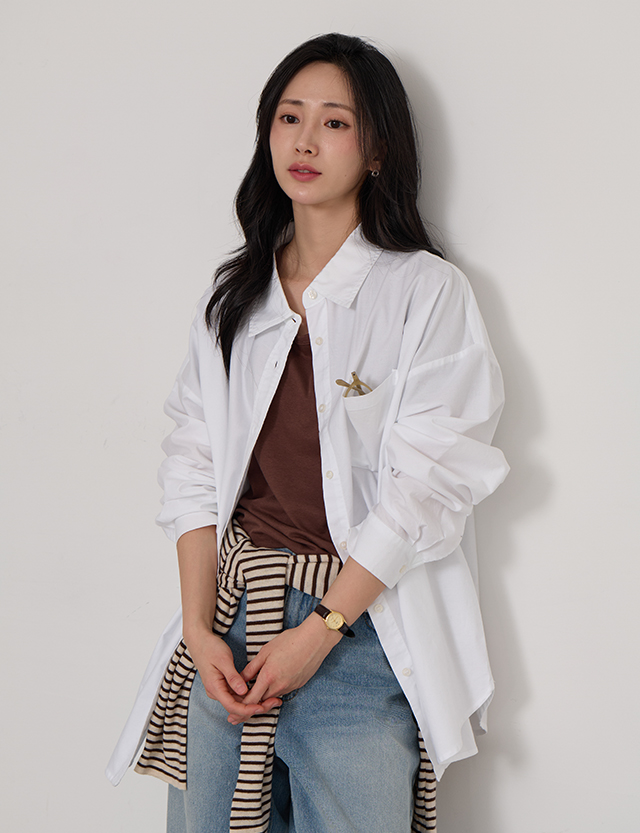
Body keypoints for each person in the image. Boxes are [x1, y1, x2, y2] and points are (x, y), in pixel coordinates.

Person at [106, 32, 509, 833]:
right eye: (289, 117)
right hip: (230, 629)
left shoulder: (424, 291)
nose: (305, 140)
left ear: (378, 150)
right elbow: (191, 462)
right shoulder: (234, 296)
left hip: (361, 636)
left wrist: (322, 628)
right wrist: (199, 630)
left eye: (335, 122)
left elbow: (431, 483)